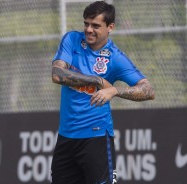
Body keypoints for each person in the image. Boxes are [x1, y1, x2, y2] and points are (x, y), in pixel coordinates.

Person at [50, 1, 155, 184]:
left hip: (96, 137)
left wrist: (114, 90)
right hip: (66, 137)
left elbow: (148, 90)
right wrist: (97, 81)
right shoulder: (71, 40)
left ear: (110, 27)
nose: (89, 30)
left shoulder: (115, 58)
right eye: (86, 24)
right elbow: (57, 74)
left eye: (96, 25)